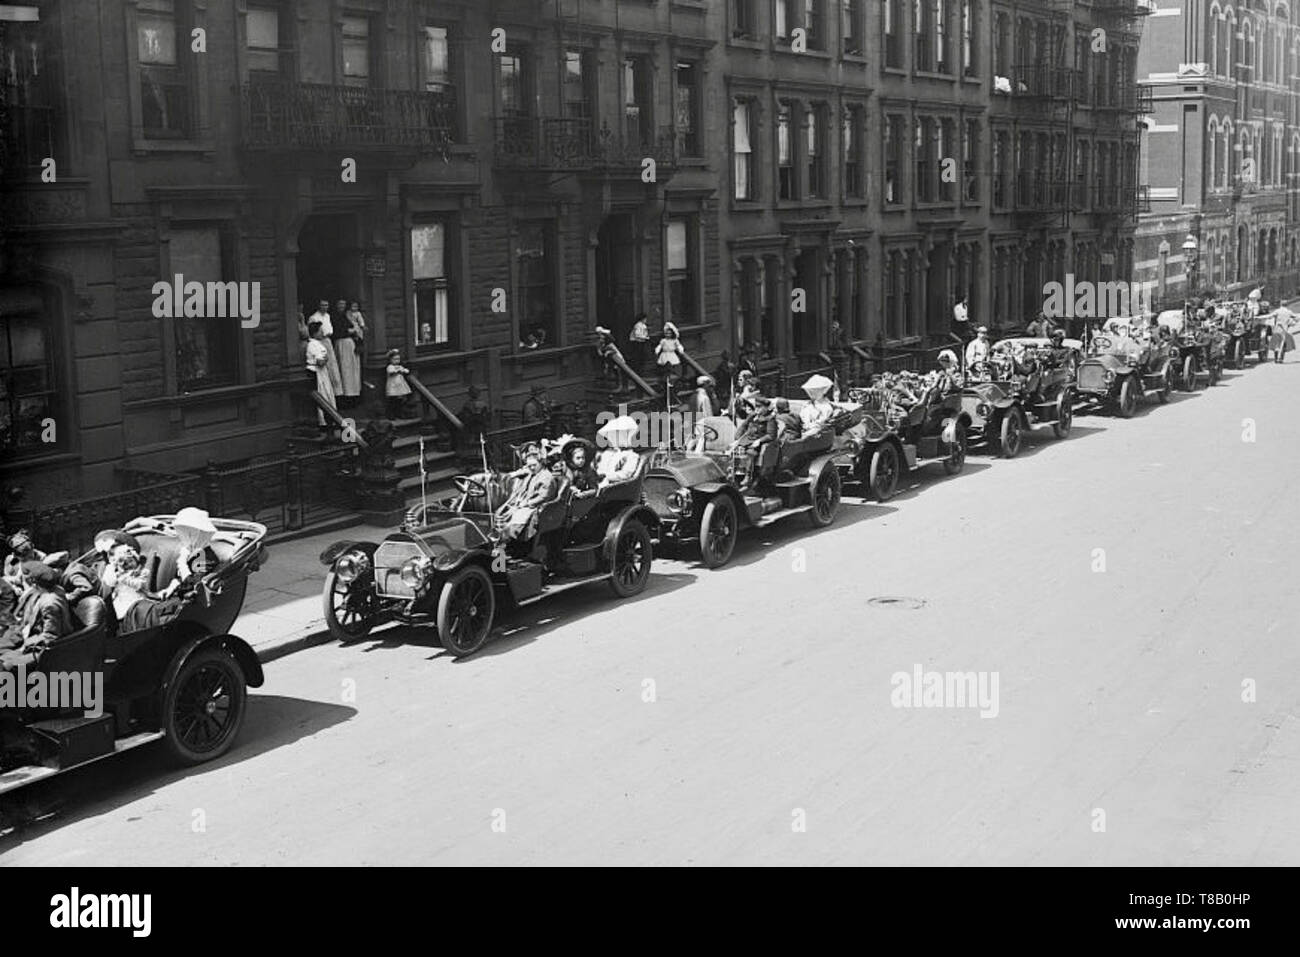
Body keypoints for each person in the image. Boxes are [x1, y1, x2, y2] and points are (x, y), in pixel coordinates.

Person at [0, 562, 72, 666]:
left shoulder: (49, 604)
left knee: (4, 664)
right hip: (25, 632)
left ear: (35, 582)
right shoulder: (44, 591)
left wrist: (24, 646)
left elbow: (51, 636)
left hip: (40, 646)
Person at [108, 547, 186, 633]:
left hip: (137, 600)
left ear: (135, 559)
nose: (129, 565)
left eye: (131, 561)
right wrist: (112, 568)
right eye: (126, 564)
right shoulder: (119, 575)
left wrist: (123, 579)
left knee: (146, 607)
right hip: (122, 603)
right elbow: (110, 583)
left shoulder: (142, 572)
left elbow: (138, 585)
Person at [496, 444, 562, 544]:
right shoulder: (532, 475)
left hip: (537, 506)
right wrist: (519, 501)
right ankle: (501, 538)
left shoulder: (546, 477)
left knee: (518, 517)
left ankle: (511, 541)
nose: (531, 468)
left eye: (534, 465)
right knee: (505, 513)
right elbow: (524, 490)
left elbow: (544, 496)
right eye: (529, 466)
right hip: (526, 503)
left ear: (541, 463)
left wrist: (527, 503)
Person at [305, 320, 338, 431]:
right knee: (322, 395)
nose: (322, 333)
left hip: (322, 372)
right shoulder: (312, 345)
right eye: (320, 331)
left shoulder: (318, 343)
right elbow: (320, 362)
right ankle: (324, 422)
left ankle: (330, 419)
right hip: (317, 373)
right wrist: (326, 359)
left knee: (327, 394)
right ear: (314, 333)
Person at [336, 301, 366, 408]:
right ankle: (346, 396)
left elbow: (357, 327)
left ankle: (354, 395)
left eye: (344, 305)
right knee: (345, 370)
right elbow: (339, 331)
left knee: (353, 370)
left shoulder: (349, 315)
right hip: (342, 344)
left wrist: (356, 333)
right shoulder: (335, 317)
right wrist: (350, 331)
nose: (342, 307)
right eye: (340, 305)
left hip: (351, 344)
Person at [595, 416, 642, 485]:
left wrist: (607, 476)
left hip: (616, 486)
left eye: (620, 436)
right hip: (599, 482)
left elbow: (626, 474)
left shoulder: (632, 456)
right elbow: (600, 468)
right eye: (614, 435)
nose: (616, 438)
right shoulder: (608, 453)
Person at [308, 300, 342, 392]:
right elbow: (312, 331)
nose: (325, 307)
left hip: (328, 340)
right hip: (320, 341)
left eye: (326, 305)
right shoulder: (314, 317)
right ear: (319, 306)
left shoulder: (327, 316)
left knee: (332, 365)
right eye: (323, 305)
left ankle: (336, 391)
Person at [655, 321, 685, 388]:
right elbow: (660, 346)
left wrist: (680, 349)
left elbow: (678, 346)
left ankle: (671, 380)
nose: (668, 335)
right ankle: (665, 378)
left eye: (669, 333)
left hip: (671, 354)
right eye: (666, 333)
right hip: (665, 354)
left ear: (672, 334)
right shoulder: (663, 340)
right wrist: (657, 349)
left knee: (672, 366)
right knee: (665, 366)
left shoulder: (674, 340)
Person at [385, 349, 413, 419]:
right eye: (395, 359)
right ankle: (391, 414)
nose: (397, 361)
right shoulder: (390, 367)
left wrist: (404, 370)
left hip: (400, 386)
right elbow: (391, 372)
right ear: (390, 360)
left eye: (398, 359)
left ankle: (399, 413)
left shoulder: (400, 366)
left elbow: (405, 370)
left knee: (400, 400)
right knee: (392, 401)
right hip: (393, 386)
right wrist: (398, 370)